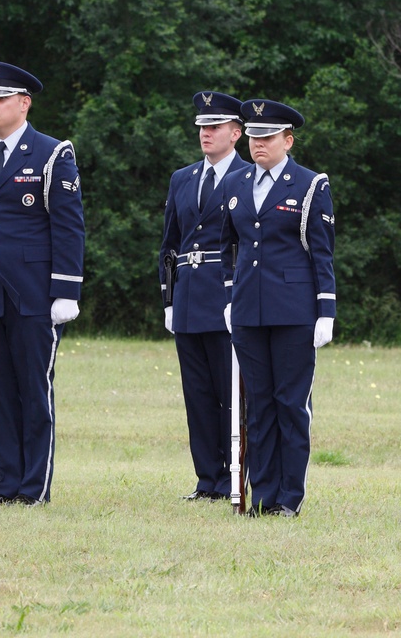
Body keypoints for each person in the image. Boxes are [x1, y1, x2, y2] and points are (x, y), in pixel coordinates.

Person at [0, 61, 85, 506]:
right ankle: (8, 485)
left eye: (1, 98)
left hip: (34, 293)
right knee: (0, 393)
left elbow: (68, 226)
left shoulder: (51, 153)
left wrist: (66, 289)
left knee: (33, 390)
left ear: (24, 104)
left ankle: (34, 487)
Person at [217, 98, 335, 517]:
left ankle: (289, 498)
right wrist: (230, 297)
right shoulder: (235, 183)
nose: (258, 144)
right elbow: (227, 247)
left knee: (290, 404)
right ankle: (263, 497)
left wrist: (326, 312)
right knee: (259, 406)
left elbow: (322, 254)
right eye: (253, 136)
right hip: (249, 311)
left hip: (293, 311)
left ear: (288, 139)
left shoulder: (309, 185)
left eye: (267, 137)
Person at [158, 92, 249, 501]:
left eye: (214, 127)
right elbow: (170, 243)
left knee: (229, 393)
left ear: (236, 133)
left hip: (226, 296)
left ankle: (235, 474)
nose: (205, 133)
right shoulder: (183, 178)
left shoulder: (247, 177)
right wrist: (169, 300)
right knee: (197, 394)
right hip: (190, 298)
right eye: (201, 127)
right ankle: (206, 479)